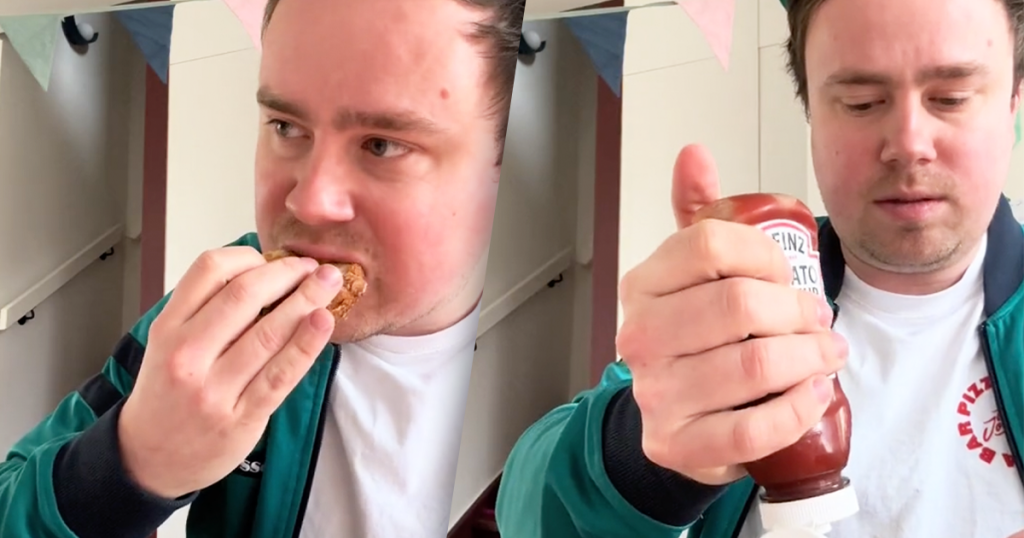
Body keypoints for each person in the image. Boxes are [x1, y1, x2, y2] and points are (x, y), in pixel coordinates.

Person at [494, 0, 1024, 536]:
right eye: (861, 102)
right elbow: (528, 512)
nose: (909, 146)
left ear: (1013, 103)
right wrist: (642, 462)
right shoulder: (747, 285)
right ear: (811, 112)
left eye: (952, 98)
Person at [0, 0, 524, 537]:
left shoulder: (551, 386)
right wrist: (130, 463)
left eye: (382, 145)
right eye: (286, 126)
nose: (309, 203)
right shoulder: (230, 308)